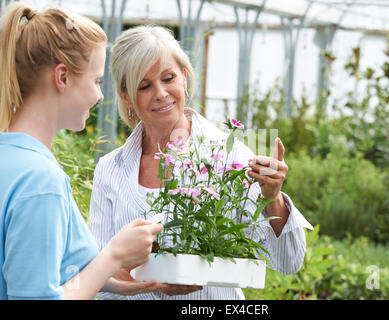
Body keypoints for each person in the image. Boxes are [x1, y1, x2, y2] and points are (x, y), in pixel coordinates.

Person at [89, 24, 314, 300]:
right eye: (145, 86)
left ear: (184, 78)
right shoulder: (111, 169)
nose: (160, 93)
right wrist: (151, 281)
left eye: (168, 78)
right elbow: (97, 274)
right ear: (126, 97)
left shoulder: (232, 157)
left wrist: (272, 198)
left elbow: (288, 262)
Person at [0, 3, 164, 300]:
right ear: (62, 78)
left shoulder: (10, 158)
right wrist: (113, 256)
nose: (100, 95)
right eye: (97, 80)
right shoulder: (40, 181)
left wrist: (112, 280)